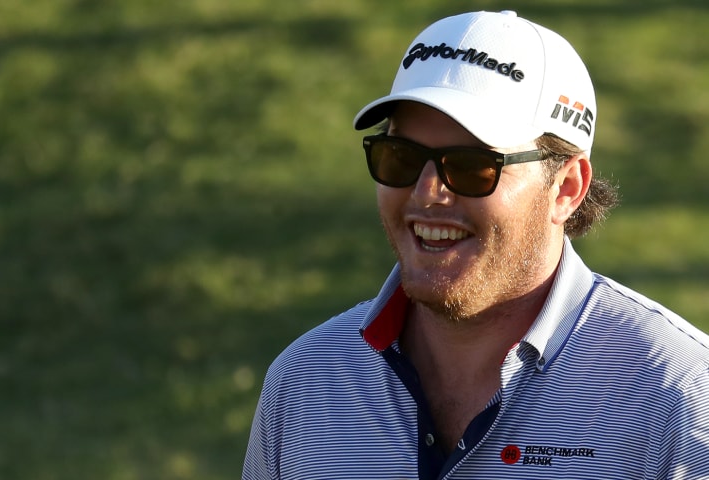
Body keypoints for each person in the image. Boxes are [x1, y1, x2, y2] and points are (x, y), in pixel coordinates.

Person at [242, 10, 709, 480]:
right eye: (399, 157)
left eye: (470, 166)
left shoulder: (680, 398)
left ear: (566, 187)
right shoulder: (304, 381)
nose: (426, 193)